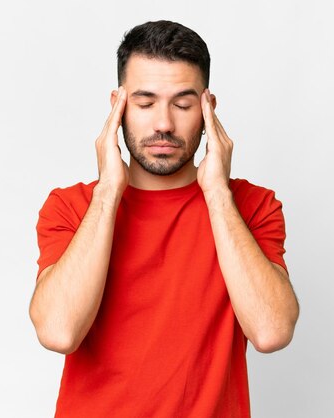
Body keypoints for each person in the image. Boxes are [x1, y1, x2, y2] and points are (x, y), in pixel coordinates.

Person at [30, 20, 299, 417]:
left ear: (208, 108)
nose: (163, 124)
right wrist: (108, 191)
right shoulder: (71, 207)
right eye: (145, 103)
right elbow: (58, 332)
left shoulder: (251, 206)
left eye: (183, 104)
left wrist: (217, 193)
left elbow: (271, 331)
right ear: (117, 106)